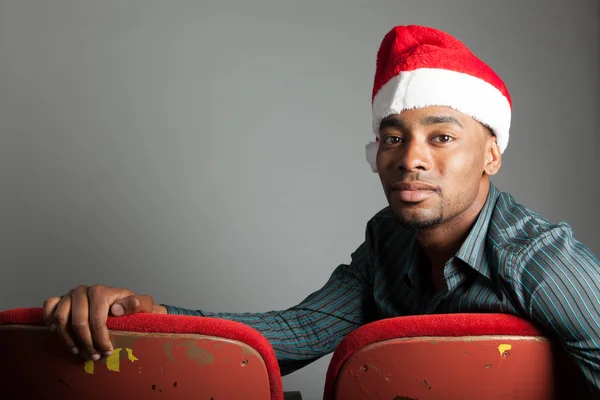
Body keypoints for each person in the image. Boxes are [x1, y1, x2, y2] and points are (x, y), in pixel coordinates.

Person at [42, 25, 600, 396]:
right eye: (392, 138)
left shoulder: (540, 260)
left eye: (442, 137)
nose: (410, 160)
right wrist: (151, 317)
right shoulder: (387, 239)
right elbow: (300, 331)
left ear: (492, 154)